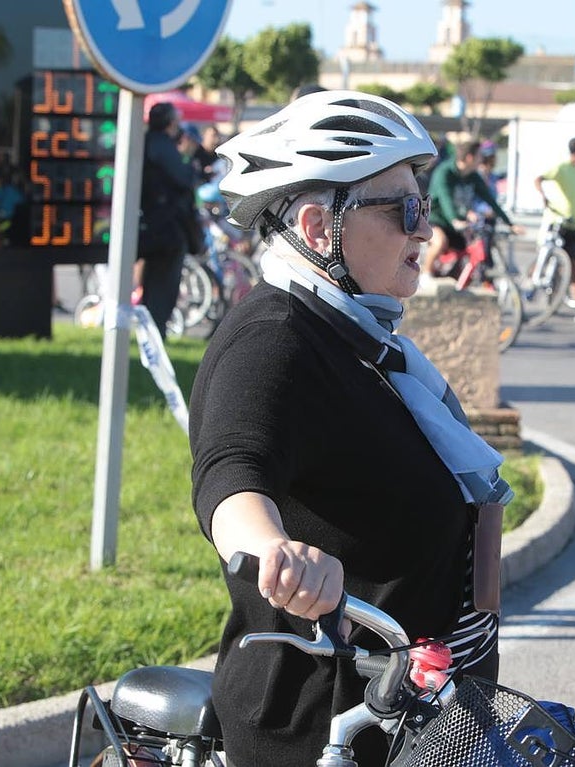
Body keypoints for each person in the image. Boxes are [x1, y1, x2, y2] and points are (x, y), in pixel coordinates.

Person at [189, 90, 511, 767]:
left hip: (419, 713)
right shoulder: (272, 340)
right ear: (316, 227)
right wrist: (275, 549)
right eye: (405, 210)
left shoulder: (364, 337)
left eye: (423, 207)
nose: (427, 229)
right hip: (326, 726)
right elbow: (231, 472)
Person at [138, 101, 199, 337]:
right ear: (171, 122)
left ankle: (149, 337)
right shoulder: (163, 146)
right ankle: (155, 337)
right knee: (163, 288)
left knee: (152, 286)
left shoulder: (144, 142)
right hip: (167, 230)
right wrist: (186, 158)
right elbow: (184, 179)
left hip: (151, 225)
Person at [421, 139, 524, 278]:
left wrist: (510, 224)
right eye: (480, 156)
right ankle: (425, 275)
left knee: (468, 251)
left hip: (458, 222)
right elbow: (446, 200)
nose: (482, 159)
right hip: (436, 219)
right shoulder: (444, 172)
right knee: (440, 242)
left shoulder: (473, 177)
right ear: (470, 157)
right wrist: (454, 220)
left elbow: (491, 201)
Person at [534, 136, 575, 324]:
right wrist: (543, 197)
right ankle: (535, 283)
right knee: (547, 254)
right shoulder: (562, 168)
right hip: (559, 223)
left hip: (574, 225)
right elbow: (539, 179)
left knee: (574, 268)